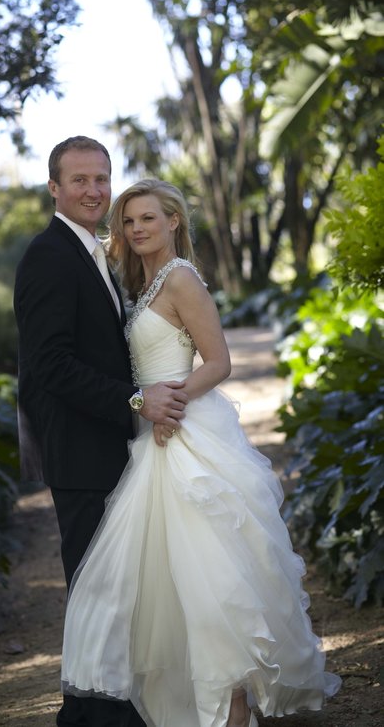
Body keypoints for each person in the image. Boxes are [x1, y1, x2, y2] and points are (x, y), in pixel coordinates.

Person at [60, 179, 342, 727]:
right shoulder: (138, 287)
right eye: (129, 221)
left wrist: (171, 404)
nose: (137, 228)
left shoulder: (181, 278)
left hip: (183, 431)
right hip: (150, 432)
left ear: (173, 223)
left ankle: (232, 709)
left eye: (148, 218)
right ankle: (194, 707)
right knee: (166, 581)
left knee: (209, 576)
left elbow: (219, 362)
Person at [13, 139, 189, 727]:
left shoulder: (92, 252)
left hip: (112, 446)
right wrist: (135, 400)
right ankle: (89, 716)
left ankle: (111, 711)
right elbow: (50, 364)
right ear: (55, 188)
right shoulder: (49, 255)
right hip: (81, 452)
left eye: (101, 179)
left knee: (111, 593)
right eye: (80, 180)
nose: (93, 191)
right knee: (95, 594)